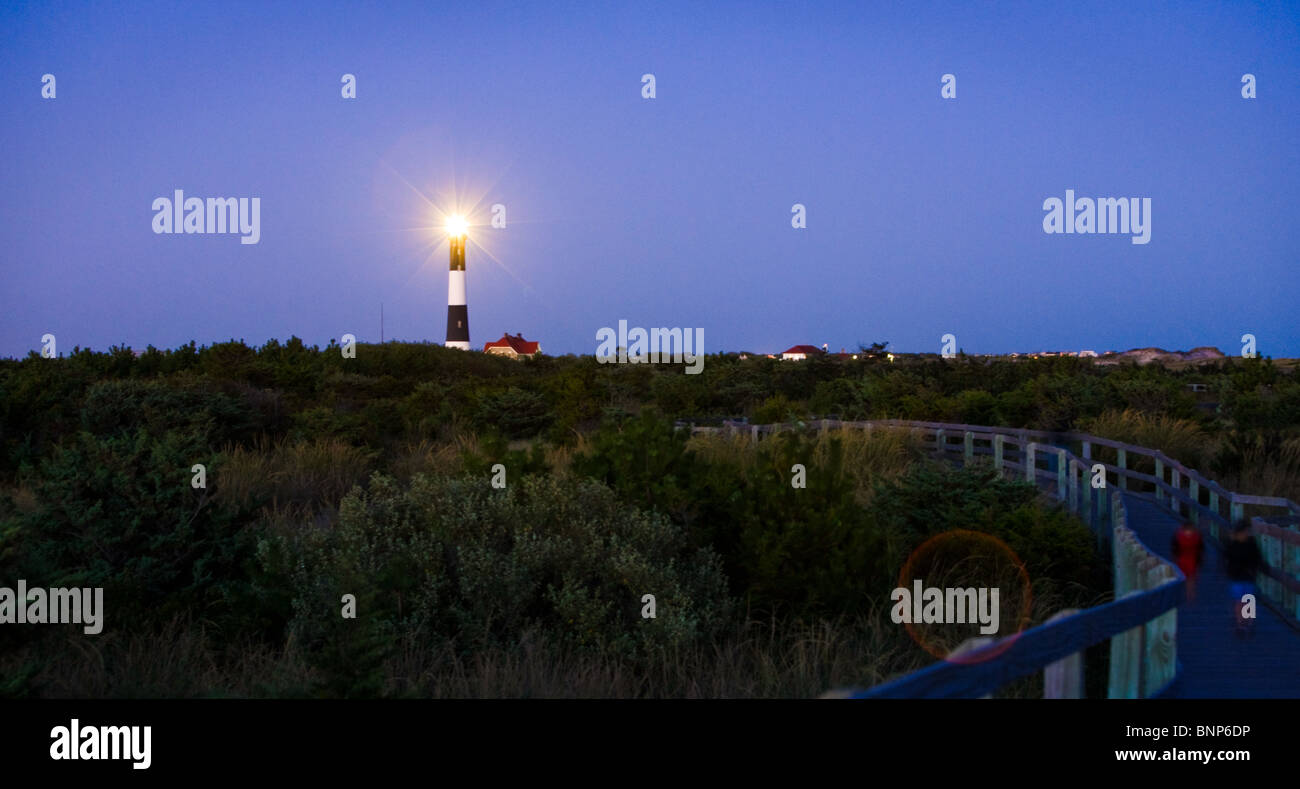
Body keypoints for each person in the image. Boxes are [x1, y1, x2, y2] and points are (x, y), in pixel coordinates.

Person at [1223, 522, 1264, 636]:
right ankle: (1241, 623)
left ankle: (1248, 624)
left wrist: (1262, 567)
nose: (1245, 534)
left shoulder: (1251, 544)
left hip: (1248, 576)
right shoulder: (1233, 544)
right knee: (1240, 601)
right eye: (1243, 532)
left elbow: (1257, 557)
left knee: (1249, 600)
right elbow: (1226, 556)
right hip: (1237, 576)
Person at [1170, 521, 1204, 603]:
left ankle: (1180, 595)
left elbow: (1175, 548)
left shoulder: (1179, 536)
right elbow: (1201, 549)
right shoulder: (1196, 537)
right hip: (1192, 559)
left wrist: (1174, 558)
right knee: (1191, 579)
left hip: (1182, 559)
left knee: (1181, 577)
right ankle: (1190, 596)